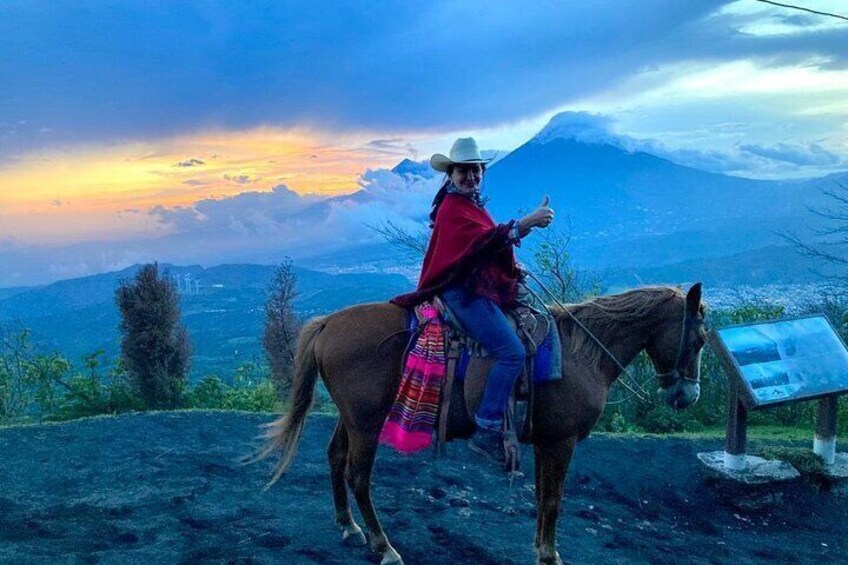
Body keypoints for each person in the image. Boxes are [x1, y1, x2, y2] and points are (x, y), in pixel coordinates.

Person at [391, 137, 554, 468]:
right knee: (512, 352)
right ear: (451, 173)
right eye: (464, 171)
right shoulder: (454, 208)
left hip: (474, 286)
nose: (471, 176)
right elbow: (481, 244)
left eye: (476, 170)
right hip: (461, 293)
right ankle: (487, 426)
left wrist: (508, 266)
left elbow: (481, 249)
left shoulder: (468, 204)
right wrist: (526, 223)